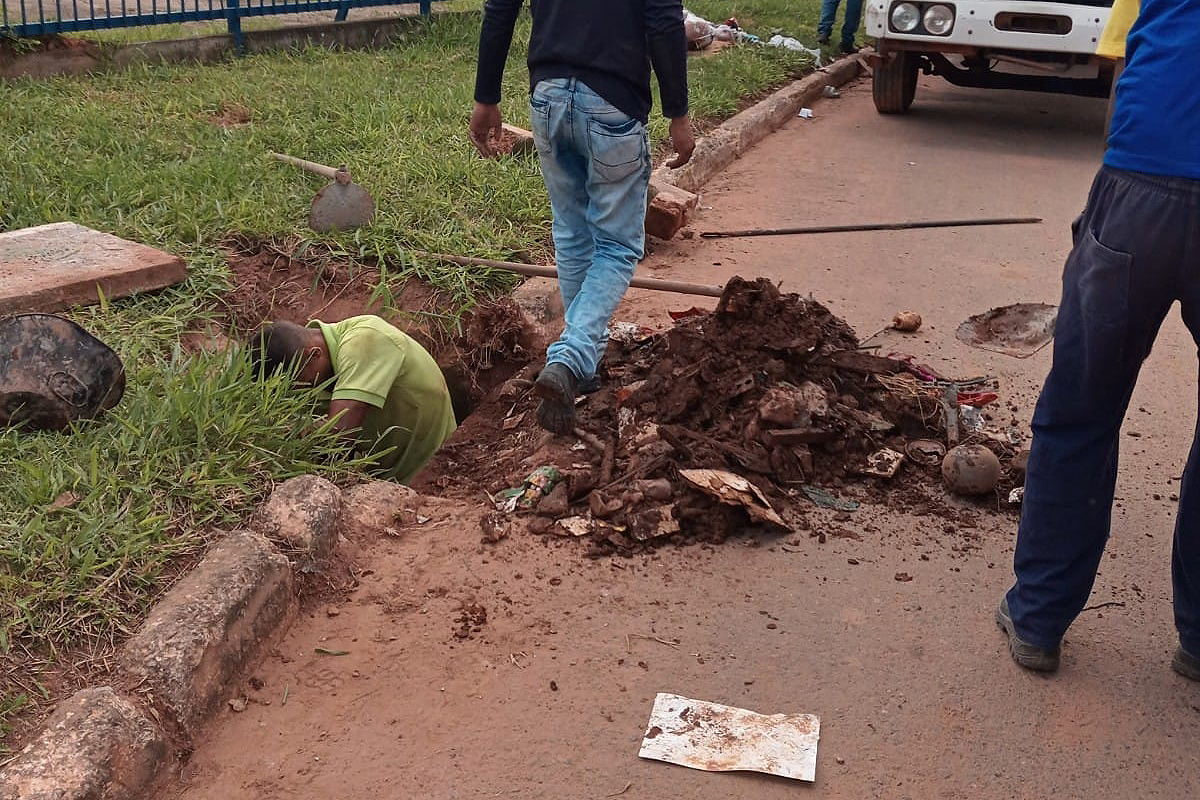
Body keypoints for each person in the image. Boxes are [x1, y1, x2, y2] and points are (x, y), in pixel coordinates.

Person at [997, 0, 1200, 682]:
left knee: (1082, 406)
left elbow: (1124, 56)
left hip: (1141, 184)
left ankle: (1039, 619)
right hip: (1145, 174)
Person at [470, 0, 695, 435]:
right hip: (613, 104)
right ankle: (572, 354)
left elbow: (500, 8)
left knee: (573, 234)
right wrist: (678, 115)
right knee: (617, 245)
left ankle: (583, 366)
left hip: (548, 97)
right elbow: (664, 20)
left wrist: (486, 98)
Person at [248, 315, 463, 484]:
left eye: (298, 381)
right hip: (387, 482)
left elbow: (338, 438)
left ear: (314, 354)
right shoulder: (314, 372)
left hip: (442, 469)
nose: (300, 389)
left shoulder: (366, 338)